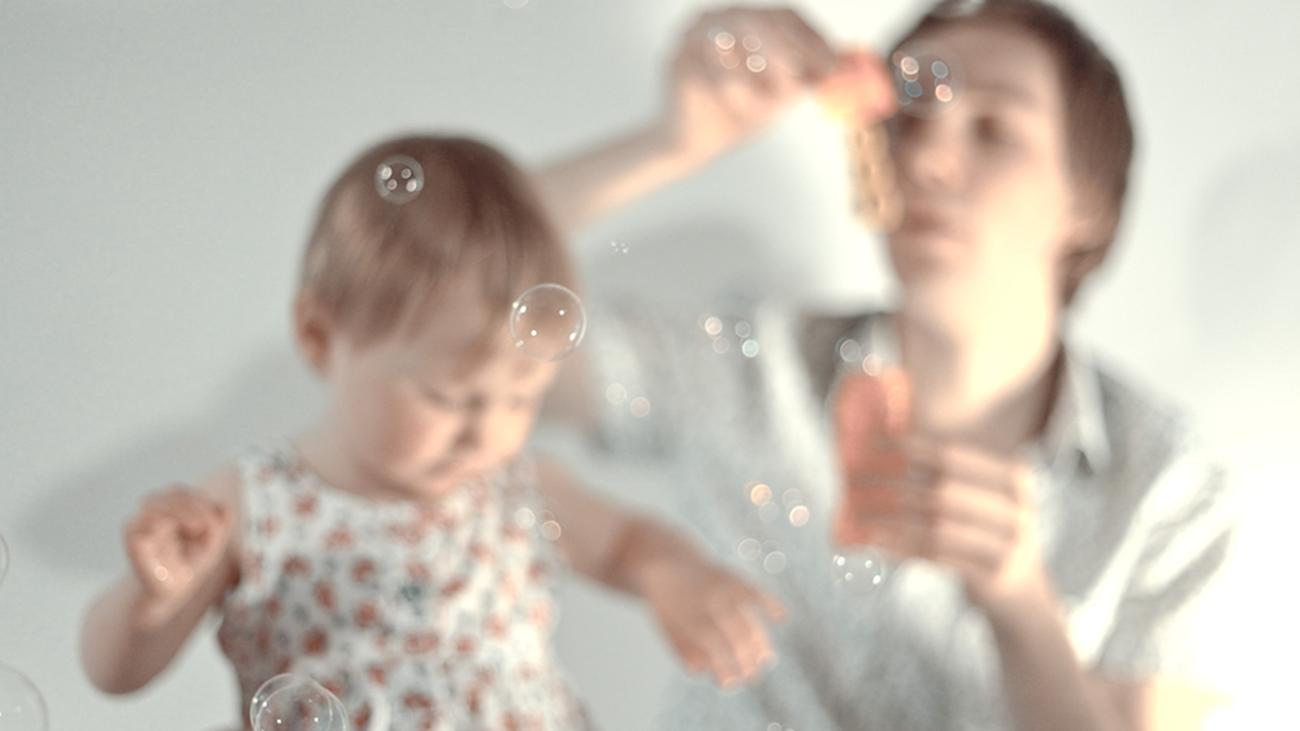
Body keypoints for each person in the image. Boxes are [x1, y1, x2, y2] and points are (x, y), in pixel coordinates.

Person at [533, 1, 1238, 728]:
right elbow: (467, 329)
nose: (927, 162)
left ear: (1086, 203)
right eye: (908, 121)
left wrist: (1023, 610)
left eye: (994, 130)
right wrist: (670, 143)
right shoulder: (747, 366)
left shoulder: (1165, 486)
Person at [79, 134, 785, 730]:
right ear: (320, 336)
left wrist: (676, 576)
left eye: (521, 398)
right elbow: (113, 672)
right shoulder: (255, 502)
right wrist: (153, 596)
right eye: (447, 396)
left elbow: (630, 543)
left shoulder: (519, 489)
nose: (485, 429)